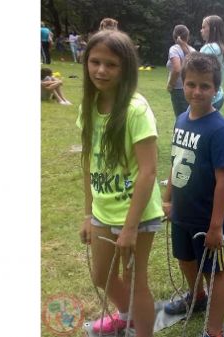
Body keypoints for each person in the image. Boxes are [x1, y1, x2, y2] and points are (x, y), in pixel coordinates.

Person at [77, 30, 163, 337]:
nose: (101, 70)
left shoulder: (136, 110)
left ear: (125, 67)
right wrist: (88, 214)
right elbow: (89, 162)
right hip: (103, 209)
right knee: (101, 274)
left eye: (111, 64)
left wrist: (129, 228)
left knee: (136, 279)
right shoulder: (89, 105)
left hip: (136, 214)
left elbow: (149, 171)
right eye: (95, 62)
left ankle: (143, 332)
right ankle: (127, 315)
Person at [161, 53, 224, 337]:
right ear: (183, 83)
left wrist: (216, 226)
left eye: (205, 86)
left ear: (216, 89)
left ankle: (214, 330)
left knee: (214, 273)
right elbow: (176, 161)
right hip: (181, 210)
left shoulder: (219, 130)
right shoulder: (181, 119)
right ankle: (197, 297)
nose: (197, 91)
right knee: (185, 259)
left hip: (207, 217)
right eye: (191, 84)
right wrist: (168, 199)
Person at [166, 24, 197, 118]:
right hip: (191, 87)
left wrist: (170, 85)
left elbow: (176, 69)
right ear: (187, 37)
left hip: (179, 90)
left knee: (181, 118)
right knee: (191, 116)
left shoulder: (174, 49)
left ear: (174, 35)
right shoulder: (192, 50)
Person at [199, 15, 224, 110]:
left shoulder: (208, 48)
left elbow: (198, 72)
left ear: (213, 29)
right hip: (218, 95)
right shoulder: (221, 47)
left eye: (204, 27)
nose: (201, 30)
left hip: (207, 98)